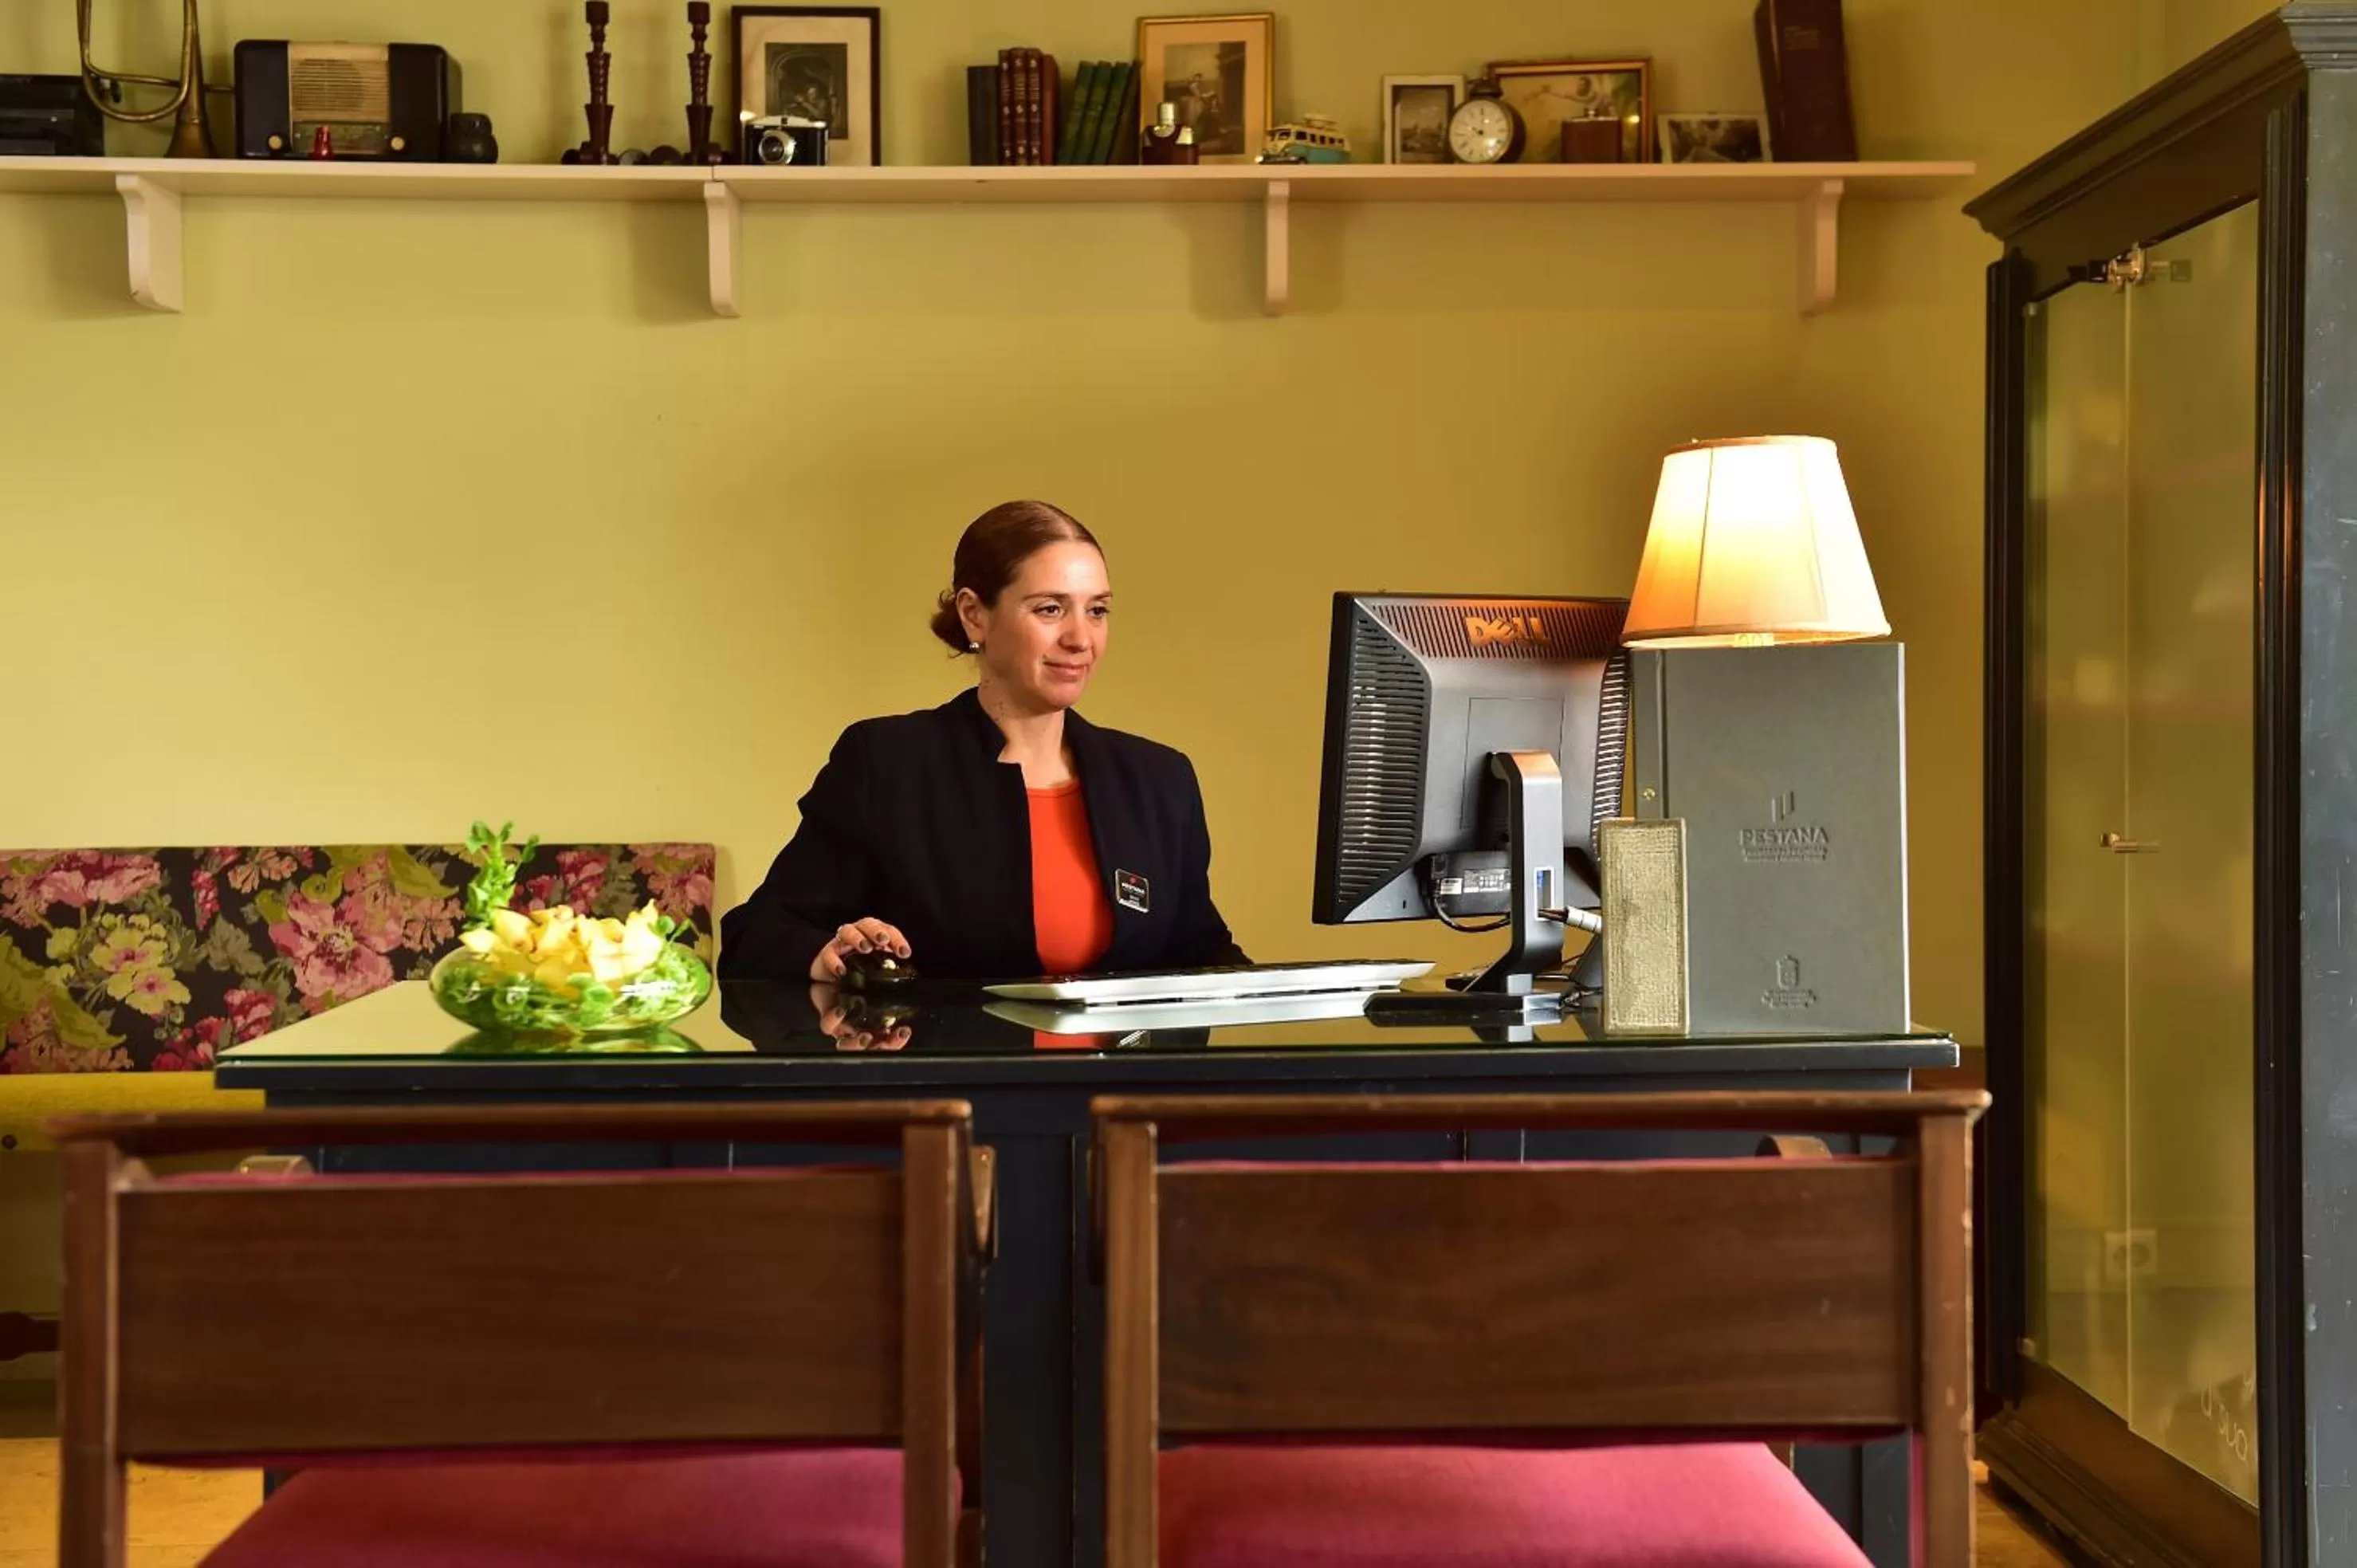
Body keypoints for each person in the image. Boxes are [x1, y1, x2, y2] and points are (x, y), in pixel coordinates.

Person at [718, 500, 1247, 984]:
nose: (1081, 638)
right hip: (956, 1086)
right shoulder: (887, 763)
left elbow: (1197, 947)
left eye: (1097, 610)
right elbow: (758, 936)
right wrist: (831, 955)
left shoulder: (1158, 778)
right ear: (975, 613)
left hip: (1119, 1088)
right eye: (1049, 609)